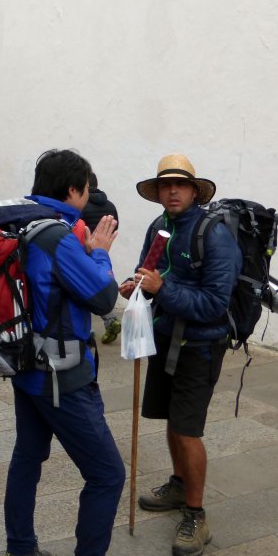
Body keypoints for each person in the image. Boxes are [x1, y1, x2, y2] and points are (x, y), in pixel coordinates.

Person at [2, 149, 124, 556]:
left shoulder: (22, 224)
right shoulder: (57, 237)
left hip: (26, 365)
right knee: (107, 474)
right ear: (72, 190)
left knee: (27, 458)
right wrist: (100, 252)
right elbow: (104, 297)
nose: (88, 198)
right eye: (86, 190)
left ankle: (21, 547)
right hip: (60, 377)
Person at [119, 154, 241, 556]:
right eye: (165, 185)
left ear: (194, 191)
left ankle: (196, 515)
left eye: (180, 185)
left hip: (201, 346)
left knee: (188, 430)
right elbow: (147, 271)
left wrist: (162, 289)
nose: (172, 191)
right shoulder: (159, 226)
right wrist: (136, 285)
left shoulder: (214, 235)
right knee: (171, 420)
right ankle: (178, 485)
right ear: (158, 192)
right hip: (164, 336)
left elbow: (215, 304)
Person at [81, 172, 121, 344]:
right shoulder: (110, 205)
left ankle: (88, 329)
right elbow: (115, 226)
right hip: (102, 251)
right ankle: (110, 320)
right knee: (100, 284)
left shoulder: (80, 205)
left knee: (82, 288)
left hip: (83, 251)